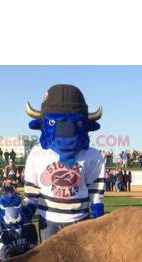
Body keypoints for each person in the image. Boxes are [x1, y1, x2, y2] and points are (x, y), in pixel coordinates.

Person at [23, 84, 105, 241]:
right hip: (48, 219)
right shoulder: (37, 152)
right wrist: (26, 212)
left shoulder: (92, 155)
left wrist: (98, 213)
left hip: (79, 219)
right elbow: (31, 190)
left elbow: (95, 190)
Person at [0, 189, 37, 262]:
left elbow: (32, 239)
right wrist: (5, 253)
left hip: (24, 259)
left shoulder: (27, 223)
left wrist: (30, 250)